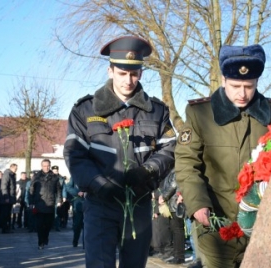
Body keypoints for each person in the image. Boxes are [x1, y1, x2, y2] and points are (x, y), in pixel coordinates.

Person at [63, 35, 176, 268]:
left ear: (141, 73)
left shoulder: (156, 111)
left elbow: (170, 148)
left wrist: (149, 170)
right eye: (122, 73)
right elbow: (75, 155)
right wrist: (98, 183)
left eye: (134, 74)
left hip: (139, 203)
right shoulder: (85, 109)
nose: (128, 80)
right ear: (110, 71)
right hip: (100, 205)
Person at [175, 44, 271, 268]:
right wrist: (197, 204)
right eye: (235, 86)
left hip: (259, 223)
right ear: (223, 80)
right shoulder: (200, 114)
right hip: (215, 222)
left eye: (249, 86)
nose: (242, 93)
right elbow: (187, 163)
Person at [29, 159, 62, 250]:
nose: (46, 167)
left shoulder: (55, 177)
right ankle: (40, 242)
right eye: (44, 166)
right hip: (39, 203)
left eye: (47, 166)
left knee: (48, 224)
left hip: (50, 203)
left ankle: (45, 237)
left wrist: (59, 201)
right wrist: (31, 202)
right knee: (39, 225)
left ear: (50, 166)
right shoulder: (36, 177)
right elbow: (31, 190)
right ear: (41, 166)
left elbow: (58, 190)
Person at [158, 170, 185, 265]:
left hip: (176, 203)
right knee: (175, 229)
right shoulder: (173, 170)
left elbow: (173, 185)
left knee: (178, 230)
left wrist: (163, 197)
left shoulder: (177, 170)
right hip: (172, 203)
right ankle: (176, 255)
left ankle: (179, 257)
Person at [65, 178, 85, 248]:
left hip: (90, 204)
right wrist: (77, 192)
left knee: (87, 225)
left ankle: (85, 244)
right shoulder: (76, 175)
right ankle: (75, 241)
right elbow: (68, 187)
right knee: (77, 225)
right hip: (78, 204)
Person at [0, 163, 18, 234]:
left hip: (10, 198)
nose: (16, 170)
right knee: (5, 214)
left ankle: (7, 228)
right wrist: (6, 197)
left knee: (8, 214)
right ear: (11, 167)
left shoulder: (12, 175)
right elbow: (4, 186)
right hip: (6, 198)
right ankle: (5, 228)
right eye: (15, 168)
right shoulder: (7, 174)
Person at [51, 165, 67, 231]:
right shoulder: (49, 177)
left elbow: (64, 188)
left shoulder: (61, 178)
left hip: (58, 196)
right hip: (50, 196)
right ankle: (50, 225)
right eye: (54, 171)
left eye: (56, 171)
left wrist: (64, 196)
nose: (55, 172)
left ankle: (56, 226)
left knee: (57, 212)